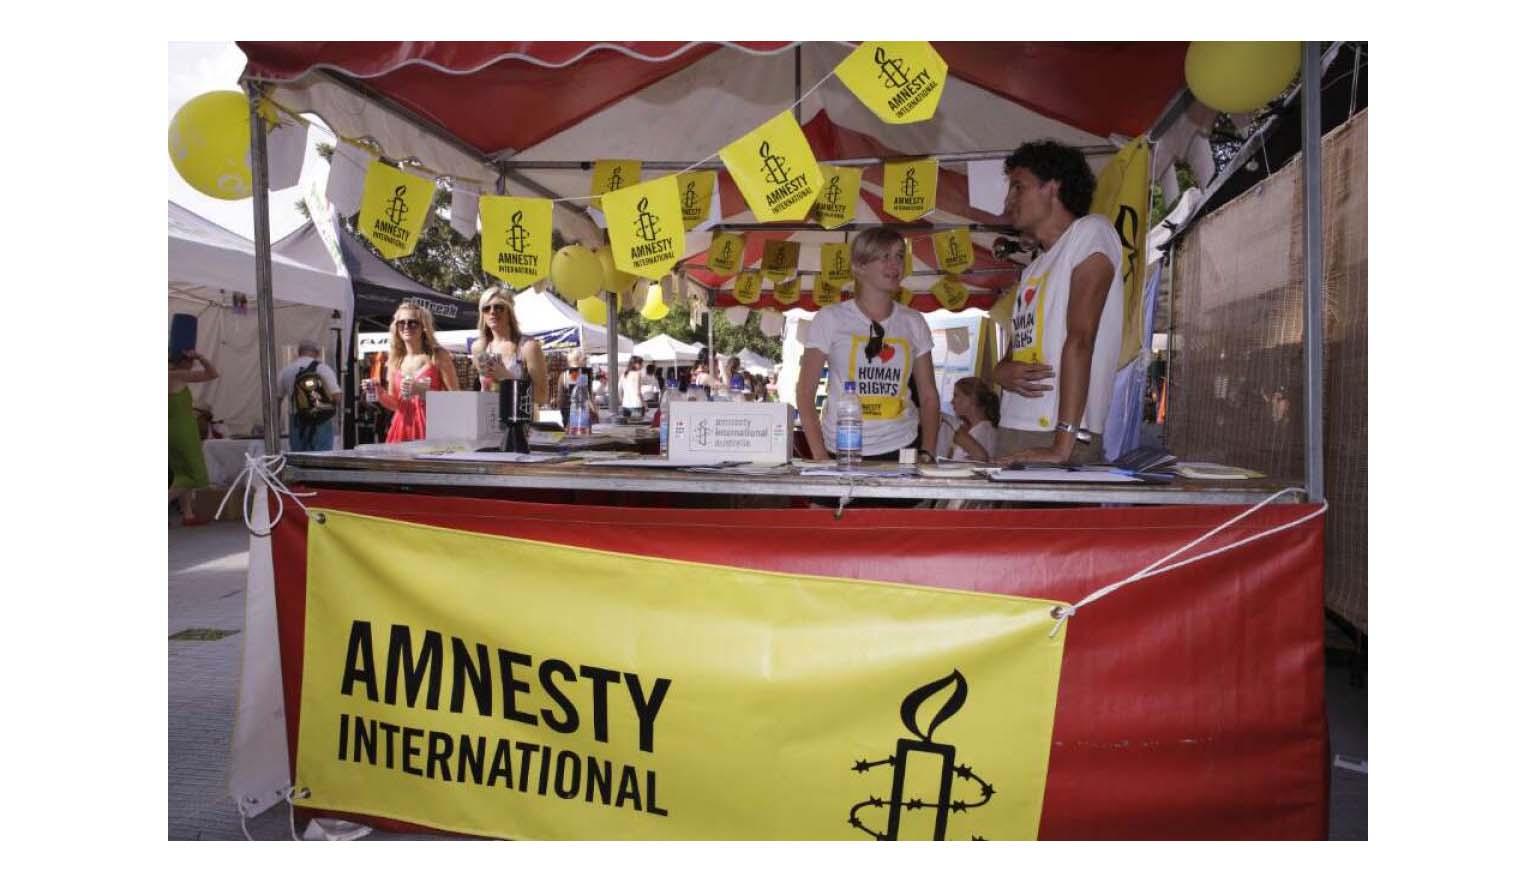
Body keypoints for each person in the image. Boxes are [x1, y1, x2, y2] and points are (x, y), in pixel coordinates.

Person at [993, 139, 1124, 465]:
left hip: (1058, 433)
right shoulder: (1035, 267)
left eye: (1017, 187)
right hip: (1015, 426)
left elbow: (1081, 339)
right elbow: (1016, 350)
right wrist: (1000, 371)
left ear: (1052, 187)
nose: (1009, 200)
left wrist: (1063, 446)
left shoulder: (1091, 232)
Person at [795, 226, 940, 461]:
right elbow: (804, 391)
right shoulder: (830, 318)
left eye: (900, 256)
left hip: (902, 443)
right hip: (840, 446)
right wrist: (820, 455)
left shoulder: (913, 322)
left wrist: (929, 451)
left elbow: (929, 396)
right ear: (859, 266)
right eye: (885, 256)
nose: (896, 264)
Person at [377, 301, 458, 443]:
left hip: (432, 428)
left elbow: (456, 397)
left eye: (413, 323)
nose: (406, 326)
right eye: (401, 323)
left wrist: (423, 392)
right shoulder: (395, 360)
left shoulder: (437, 356)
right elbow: (396, 404)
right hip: (402, 428)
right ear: (396, 328)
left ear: (424, 327)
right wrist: (379, 393)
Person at [470, 286, 548, 414]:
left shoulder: (528, 346)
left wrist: (506, 377)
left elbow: (542, 396)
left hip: (519, 426)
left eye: (499, 307)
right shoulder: (479, 348)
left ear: (509, 311)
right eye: (486, 308)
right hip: (488, 422)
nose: (492, 312)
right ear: (482, 314)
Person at [169, 349, 218, 526]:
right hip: (183, 429)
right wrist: (201, 357)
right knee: (195, 476)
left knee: (182, 474)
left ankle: (188, 515)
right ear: (183, 361)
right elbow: (212, 374)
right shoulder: (177, 375)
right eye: (190, 362)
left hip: (170, 429)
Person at [276, 341, 342, 452]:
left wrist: (276, 425)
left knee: (299, 457)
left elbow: (277, 400)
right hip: (321, 420)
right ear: (317, 353)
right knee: (322, 457)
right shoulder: (323, 369)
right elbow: (337, 397)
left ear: (298, 353)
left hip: (297, 421)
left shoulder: (286, 371)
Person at [942, 376, 1000, 462]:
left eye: (956, 395)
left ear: (972, 399)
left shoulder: (981, 431)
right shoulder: (982, 428)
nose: (952, 401)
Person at [558, 349, 601, 428]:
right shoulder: (584, 374)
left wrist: (565, 417)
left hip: (568, 415)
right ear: (577, 360)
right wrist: (594, 410)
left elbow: (561, 400)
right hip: (581, 415)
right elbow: (587, 397)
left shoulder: (563, 375)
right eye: (584, 359)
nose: (586, 361)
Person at [619, 355, 646, 420]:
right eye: (641, 363)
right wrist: (644, 404)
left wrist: (622, 400)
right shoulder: (638, 374)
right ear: (635, 364)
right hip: (637, 404)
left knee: (628, 428)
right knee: (637, 428)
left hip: (625, 405)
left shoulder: (623, 374)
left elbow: (619, 390)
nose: (642, 365)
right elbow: (638, 392)